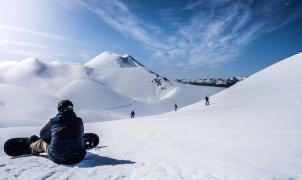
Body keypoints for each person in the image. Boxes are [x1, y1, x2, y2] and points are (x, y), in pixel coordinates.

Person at [30, 100, 86, 165]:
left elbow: (43, 135)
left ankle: (33, 147)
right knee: (77, 138)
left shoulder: (54, 121)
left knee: (43, 142)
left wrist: (53, 137)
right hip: (79, 157)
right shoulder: (79, 121)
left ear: (59, 109)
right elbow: (81, 133)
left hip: (58, 158)